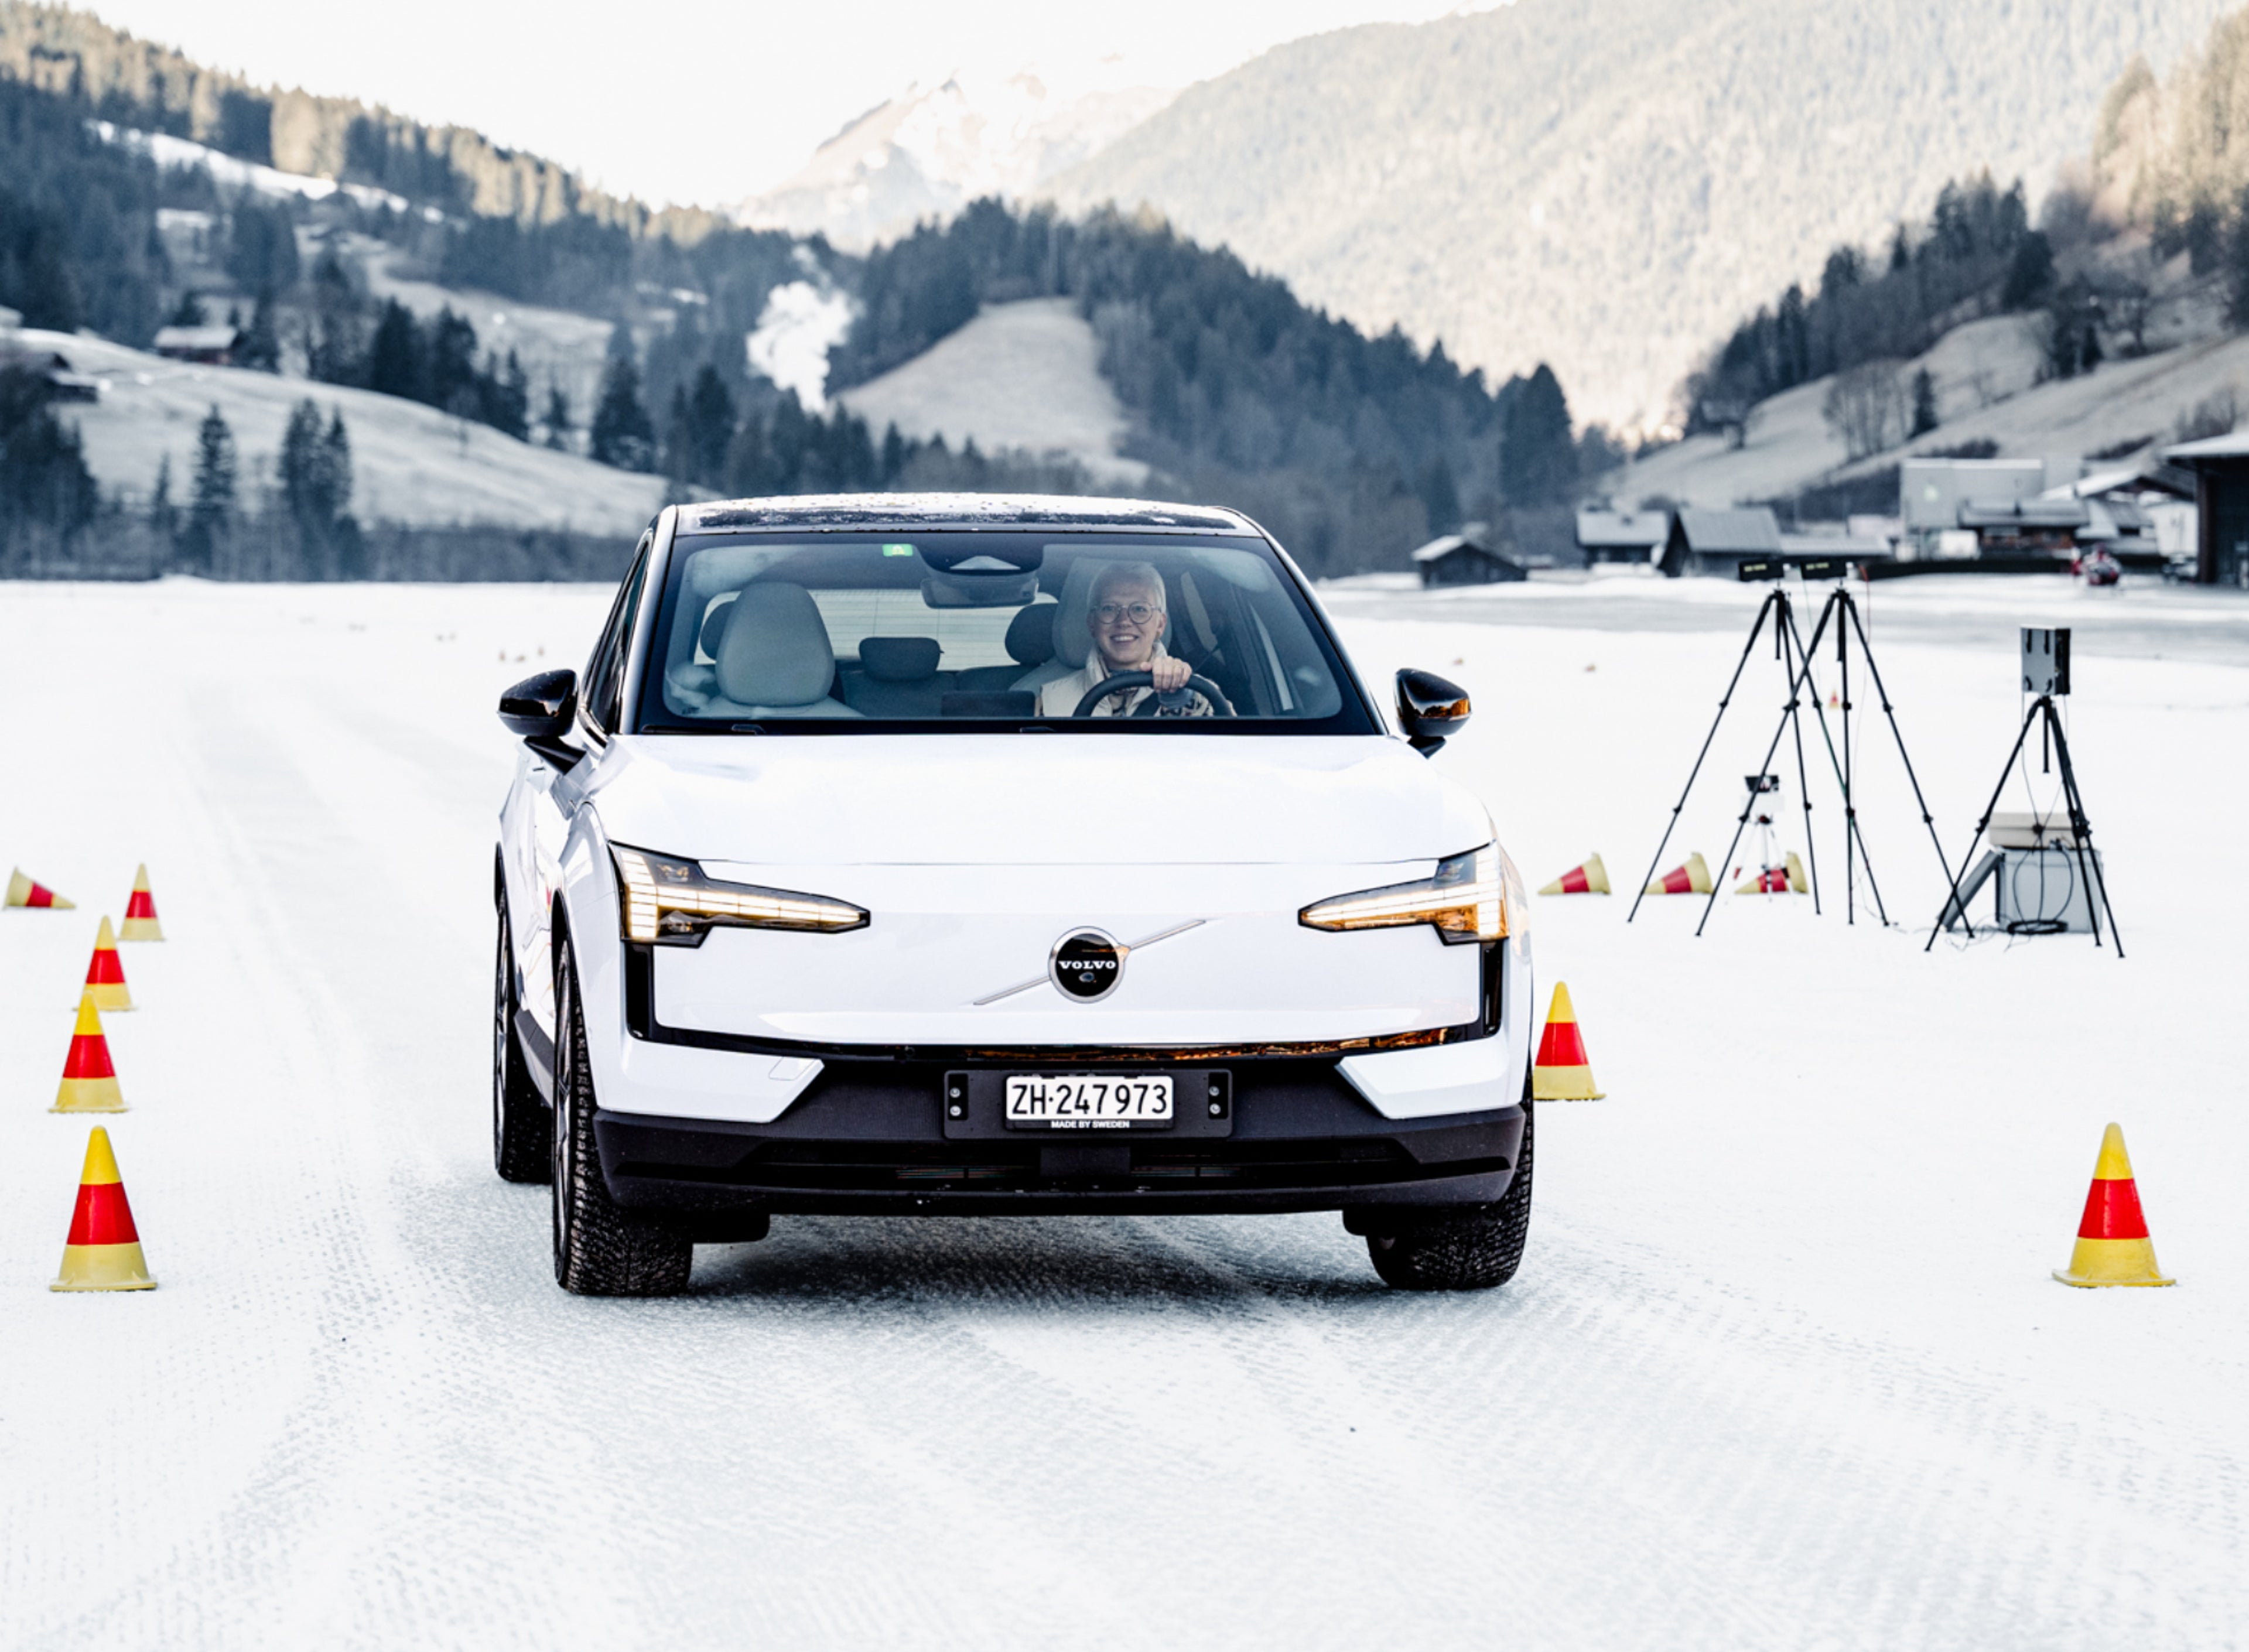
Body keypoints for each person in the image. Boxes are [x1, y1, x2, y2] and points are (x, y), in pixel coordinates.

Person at [1038, 561, 1212, 717]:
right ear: (1092, 623)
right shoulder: (1051, 701)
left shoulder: (1201, 692)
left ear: (1160, 624)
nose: (1124, 621)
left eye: (1139, 609)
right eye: (1109, 608)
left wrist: (1188, 695)